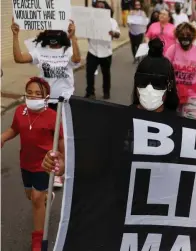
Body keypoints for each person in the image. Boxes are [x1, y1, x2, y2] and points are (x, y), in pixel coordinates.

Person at [42, 38, 180, 177]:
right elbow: (98, 161)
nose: (149, 89)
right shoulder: (120, 121)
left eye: (157, 83)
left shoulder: (183, 129)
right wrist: (66, 165)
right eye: (144, 82)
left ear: (169, 86)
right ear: (136, 83)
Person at [1, 77, 64, 251]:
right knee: (31, 195)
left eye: (38, 94)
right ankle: (46, 197)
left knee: (36, 199)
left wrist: (62, 160)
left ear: (46, 97)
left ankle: (38, 239)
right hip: (25, 163)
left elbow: (60, 140)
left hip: (44, 164)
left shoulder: (53, 116)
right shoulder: (20, 111)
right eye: (29, 93)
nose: (33, 97)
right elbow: (14, 129)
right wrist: (2, 138)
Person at [11, 19, 81, 113]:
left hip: (65, 100)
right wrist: (15, 36)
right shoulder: (39, 50)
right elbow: (19, 58)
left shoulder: (68, 50)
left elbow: (76, 59)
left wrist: (73, 37)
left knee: (63, 127)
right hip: (45, 101)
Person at [165, 22, 196, 122]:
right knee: (173, 122)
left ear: (193, 37)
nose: (185, 38)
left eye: (188, 35)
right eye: (182, 35)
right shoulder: (172, 50)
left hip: (193, 94)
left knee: (191, 124)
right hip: (174, 93)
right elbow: (164, 71)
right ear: (177, 36)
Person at [85, 0, 120, 100]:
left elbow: (118, 34)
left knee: (106, 73)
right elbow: (86, 32)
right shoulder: (90, 21)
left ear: (106, 9)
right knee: (89, 72)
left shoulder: (111, 21)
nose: (100, 9)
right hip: (92, 50)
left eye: (102, 7)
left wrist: (113, 33)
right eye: (98, 7)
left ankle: (106, 92)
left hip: (106, 52)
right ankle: (90, 92)